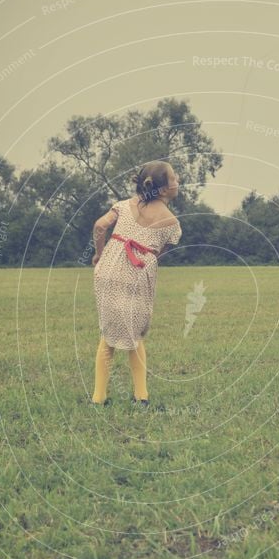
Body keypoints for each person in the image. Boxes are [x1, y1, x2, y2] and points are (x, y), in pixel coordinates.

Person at [91, 161, 182, 407]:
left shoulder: (122, 206)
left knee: (108, 334)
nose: (178, 181)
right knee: (135, 334)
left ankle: (98, 398)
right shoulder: (172, 224)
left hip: (107, 272)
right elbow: (157, 254)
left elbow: (100, 226)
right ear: (163, 190)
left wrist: (99, 255)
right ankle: (141, 397)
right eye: (174, 178)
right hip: (136, 276)